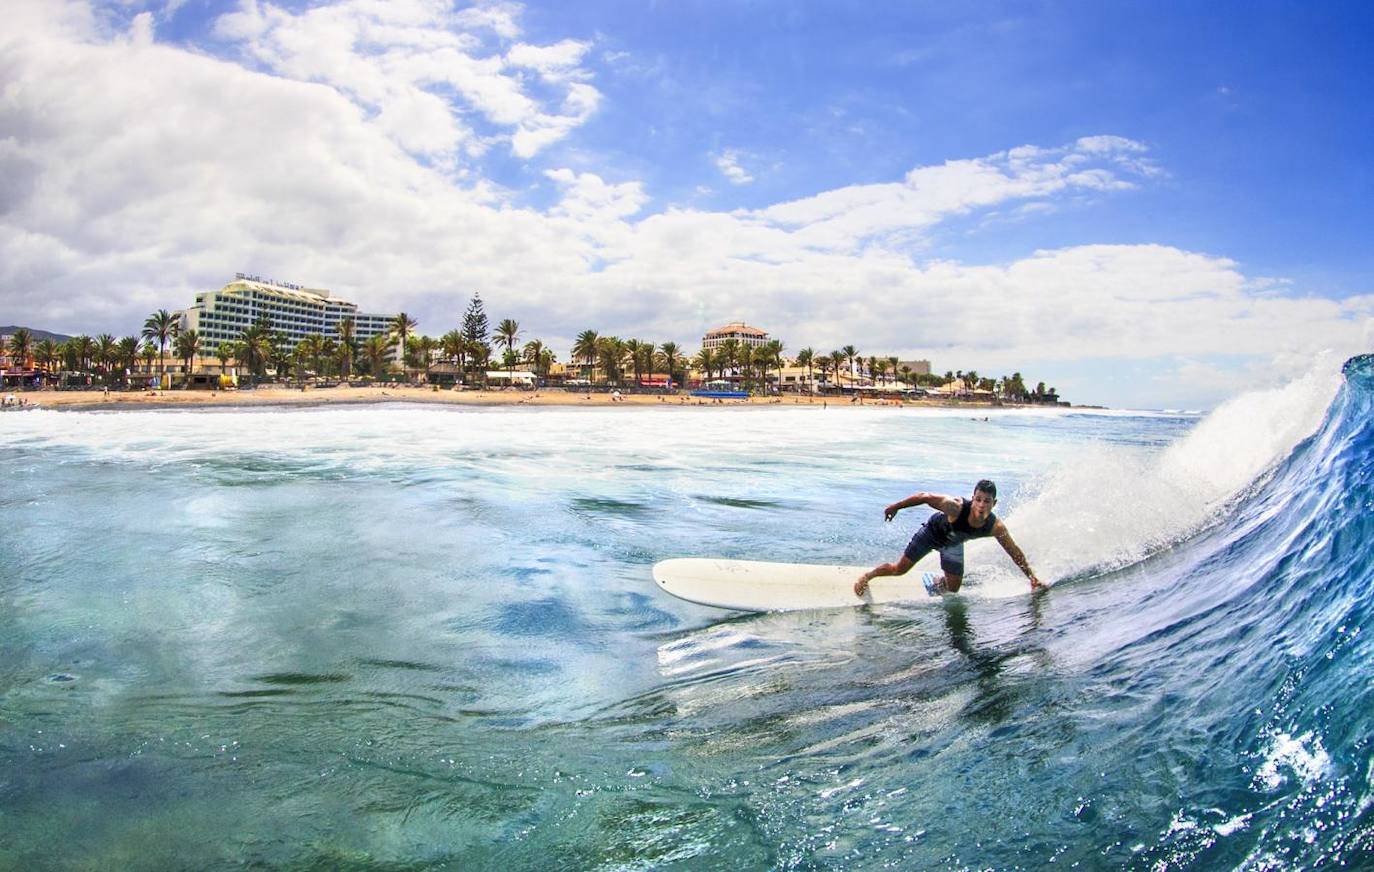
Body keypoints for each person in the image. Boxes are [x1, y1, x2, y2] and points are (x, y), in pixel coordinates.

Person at [854, 479, 1042, 597]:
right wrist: (896, 506)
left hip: (953, 543)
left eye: (987, 501)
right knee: (899, 569)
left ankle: (939, 582)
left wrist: (1031, 577)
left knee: (953, 589)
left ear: (994, 503)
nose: (981, 505)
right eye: (978, 499)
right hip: (932, 534)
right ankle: (867, 577)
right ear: (973, 498)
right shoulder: (955, 508)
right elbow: (925, 496)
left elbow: (1013, 552)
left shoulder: (995, 527)